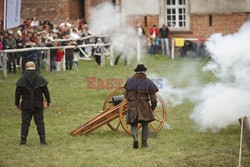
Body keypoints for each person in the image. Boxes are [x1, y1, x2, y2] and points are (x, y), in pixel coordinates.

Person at [15, 61, 51, 145]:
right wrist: (48, 101)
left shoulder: (22, 79)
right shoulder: (40, 78)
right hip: (38, 104)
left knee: (25, 123)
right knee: (40, 122)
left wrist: (17, 103)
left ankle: (23, 141)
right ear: (35, 67)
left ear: (25, 67)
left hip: (26, 104)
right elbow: (46, 92)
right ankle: (43, 141)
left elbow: (17, 93)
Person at [124, 64, 159, 149]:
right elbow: (154, 99)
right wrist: (152, 107)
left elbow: (126, 95)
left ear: (136, 71)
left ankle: (135, 137)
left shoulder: (130, 81)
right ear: (144, 71)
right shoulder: (148, 82)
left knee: (133, 123)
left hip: (132, 105)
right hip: (144, 106)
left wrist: (131, 101)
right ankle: (144, 143)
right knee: (144, 124)